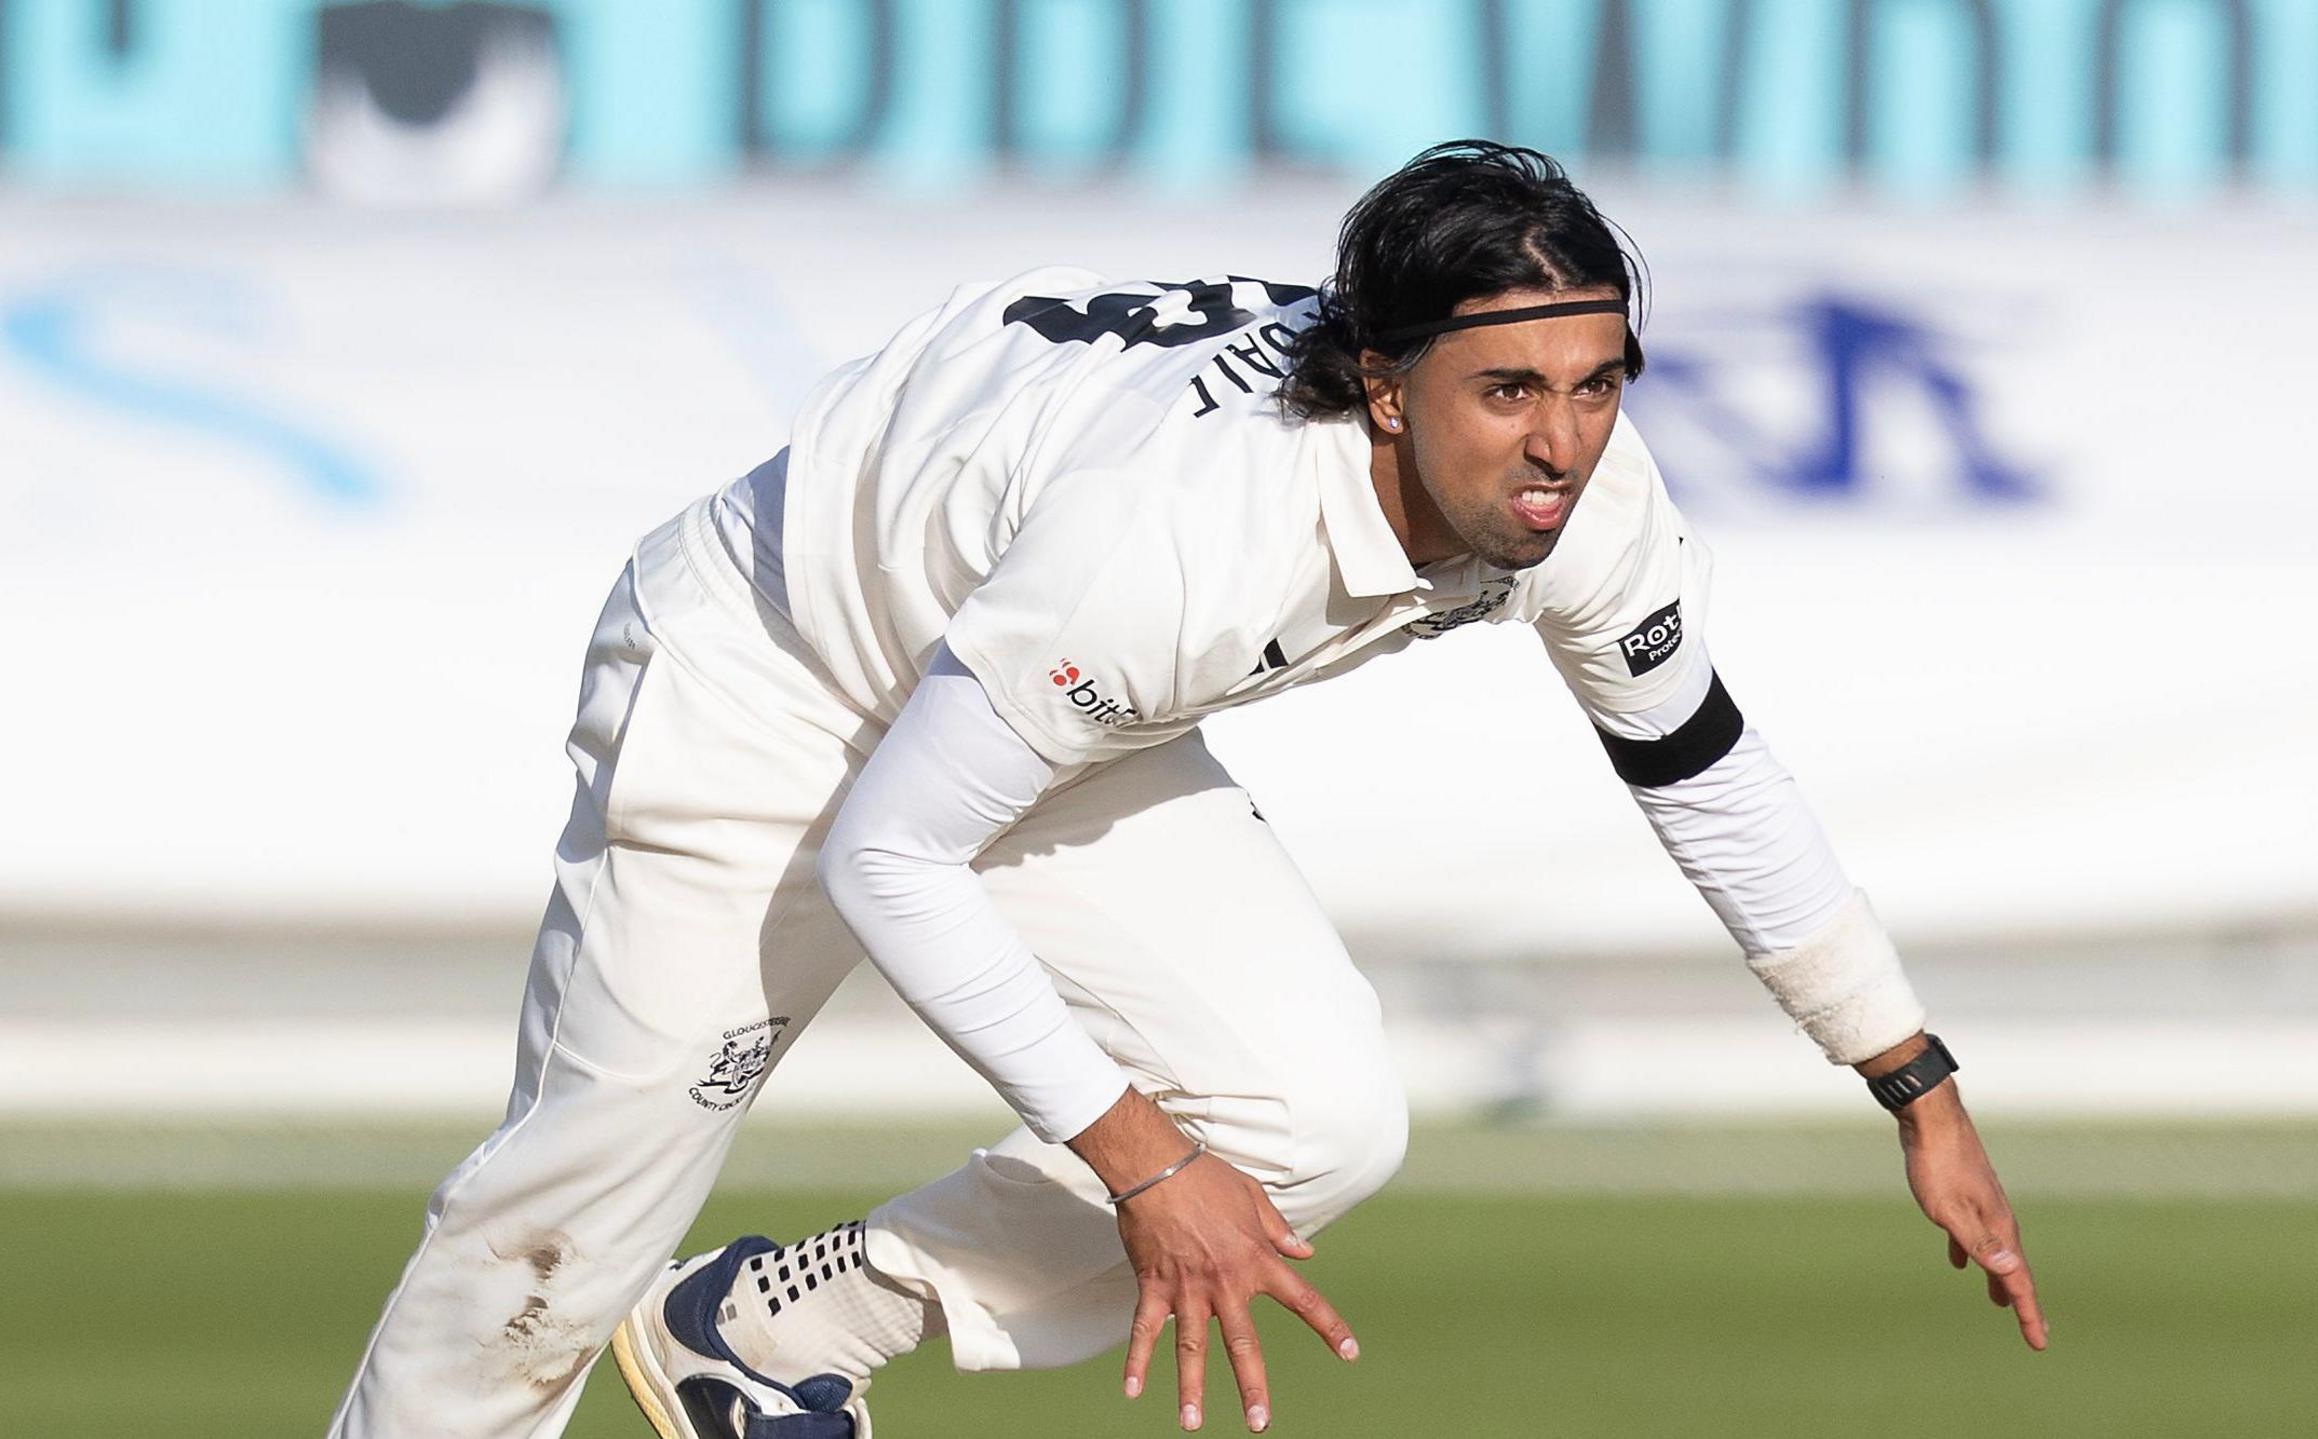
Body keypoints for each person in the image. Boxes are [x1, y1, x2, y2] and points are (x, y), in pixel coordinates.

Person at [328, 140, 2044, 1439]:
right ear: (1381, 381)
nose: (1562, 443)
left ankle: (776, 1329)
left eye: (1597, 385)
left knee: (1313, 1119)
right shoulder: (1183, 539)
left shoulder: (1579, 501)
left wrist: (1911, 1078)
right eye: (1506, 388)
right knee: (563, 1225)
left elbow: (1698, 760)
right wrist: (1142, 1162)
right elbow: (894, 856)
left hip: (1030, 700)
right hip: (774, 667)